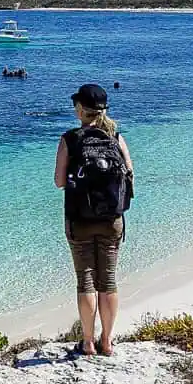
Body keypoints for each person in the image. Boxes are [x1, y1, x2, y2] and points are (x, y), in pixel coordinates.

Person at [56, 83, 134, 357]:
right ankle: (107, 341)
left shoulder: (70, 139)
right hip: (112, 219)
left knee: (85, 281)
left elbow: (58, 182)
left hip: (79, 220)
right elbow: (130, 174)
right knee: (109, 281)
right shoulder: (116, 137)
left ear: (80, 109)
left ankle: (87, 342)